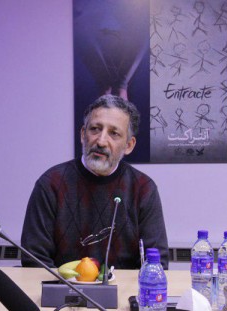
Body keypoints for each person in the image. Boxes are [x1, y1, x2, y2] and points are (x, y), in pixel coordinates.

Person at [21, 95, 168, 270]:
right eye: (95, 129)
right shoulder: (51, 184)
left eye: (114, 133)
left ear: (129, 145)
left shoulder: (143, 188)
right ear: (83, 135)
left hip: (125, 287)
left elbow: (156, 262)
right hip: (62, 286)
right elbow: (34, 260)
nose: (101, 141)